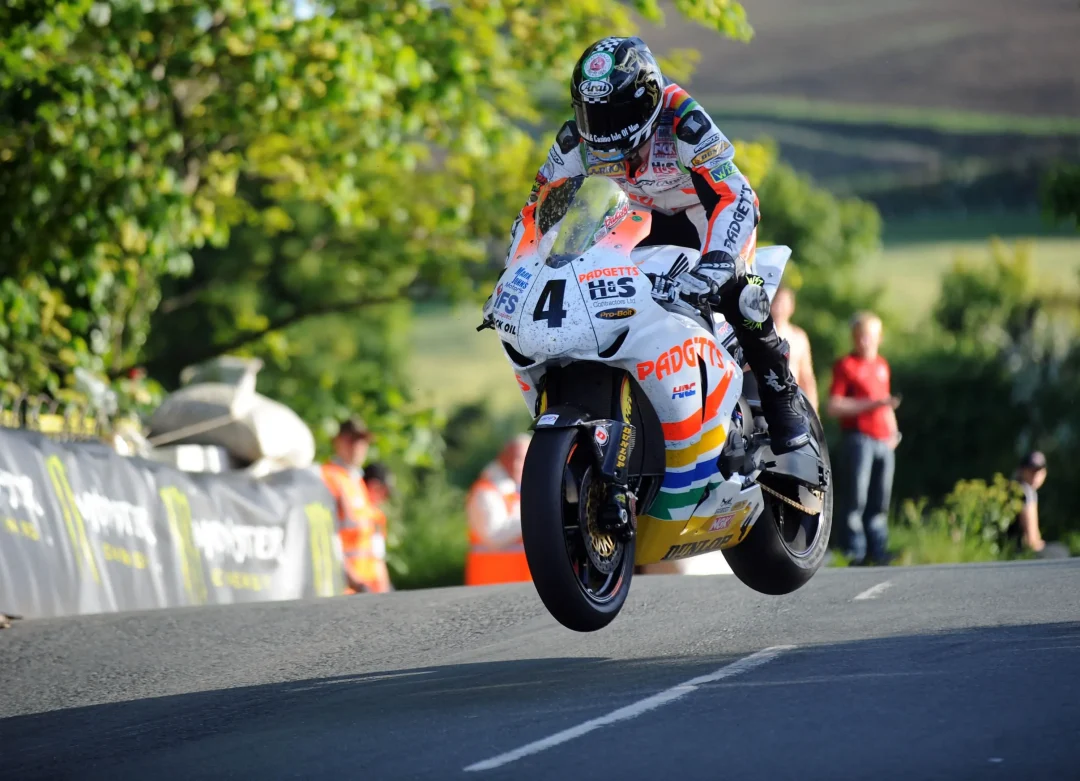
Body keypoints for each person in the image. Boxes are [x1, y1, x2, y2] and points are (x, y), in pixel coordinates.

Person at [498, 36, 810, 456]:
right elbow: (536, 209)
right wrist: (517, 269)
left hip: (704, 215)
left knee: (740, 291)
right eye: (592, 113)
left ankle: (780, 390)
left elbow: (736, 195)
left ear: (647, 100)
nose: (602, 127)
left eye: (615, 113)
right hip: (635, 220)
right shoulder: (575, 139)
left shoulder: (683, 119)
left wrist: (719, 262)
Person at [827, 311, 901, 566]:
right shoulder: (846, 365)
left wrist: (894, 431)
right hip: (858, 438)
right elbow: (834, 405)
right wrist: (871, 405)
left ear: (879, 338)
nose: (864, 341)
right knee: (856, 497)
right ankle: (854, 549)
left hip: (883, 440)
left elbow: (885, 403)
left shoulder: (882, 365)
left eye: (869, 336)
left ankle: (877, 549)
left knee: (880, 498)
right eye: (859, 335)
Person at [320, 417, 391, 594]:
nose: (357, 447)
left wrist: (381, 589)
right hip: (344, 589)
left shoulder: (356, 481)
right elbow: (325, 537)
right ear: (337, 442)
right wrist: (355, 581)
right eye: (351, 440)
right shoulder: (328, 478)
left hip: (365, 589)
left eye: (362, 441)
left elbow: (371, 543)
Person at [465, 434, 532, 586]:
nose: (517, 465)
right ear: (502, 458)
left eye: (523, 459)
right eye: (514, 458)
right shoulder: (485, 492)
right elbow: (494, 537)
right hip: (491, 584)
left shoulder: (517, 491)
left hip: (517, 584)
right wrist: (535, 517)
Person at [771, 284, 819, 413]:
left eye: (783, 303)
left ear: (791, 307)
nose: (779, 308)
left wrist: (813, 412)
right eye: (776, 302)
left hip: (790, 402)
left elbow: (806, 377)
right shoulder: (758, 335)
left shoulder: (799, 337)